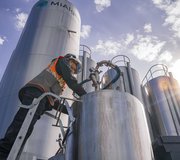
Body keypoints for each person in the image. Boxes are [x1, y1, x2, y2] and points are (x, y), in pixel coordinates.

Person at [0, 53, 87, 159]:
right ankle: (3, 154)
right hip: (36, 93)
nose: (73, 71)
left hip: (42, 97)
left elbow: (54, 102)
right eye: (73, 67)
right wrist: (86, 97)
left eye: (74, 70)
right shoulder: (62, 62)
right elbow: (71, 81)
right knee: (22, 125)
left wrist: (72, 111)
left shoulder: (60, 81)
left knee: (26, 130)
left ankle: (12, 156)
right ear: (70, 60)